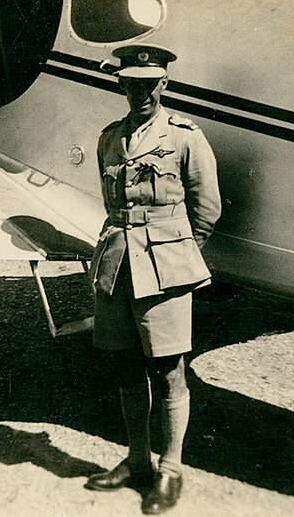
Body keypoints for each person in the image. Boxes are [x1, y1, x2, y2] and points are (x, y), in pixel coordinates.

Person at [85, 44, 221, 514]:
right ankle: (136, 460)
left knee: (167, 370)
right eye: (131, 84)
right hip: (118, 262)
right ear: (120, 85)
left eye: (149, 84)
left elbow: (207, 207)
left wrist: (179, 256)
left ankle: (171, 470)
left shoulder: (184, 136)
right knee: (123, 362)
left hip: (165, 267)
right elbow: (111, 205)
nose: (140, 92)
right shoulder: (109, 138)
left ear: (164, 85)